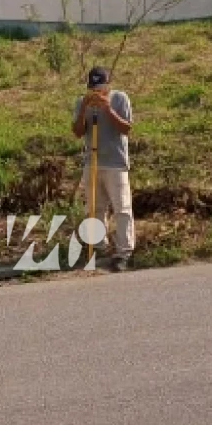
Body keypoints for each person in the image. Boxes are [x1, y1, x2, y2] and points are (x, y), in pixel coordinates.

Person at [72, 66, 135, 272]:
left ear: (108, 85)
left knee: (122, 208)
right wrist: (84, 108)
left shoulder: (120, 99)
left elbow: (126, 128)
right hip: (93, 162)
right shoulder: (82, 102)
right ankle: (99, 246)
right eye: (93, 88)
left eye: (101, 88)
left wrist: (107, 108)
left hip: (115, 163)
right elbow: (78, 132)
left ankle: (123, 252)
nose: (97, 92)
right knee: (95, 208)